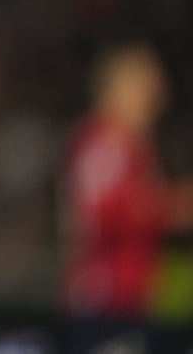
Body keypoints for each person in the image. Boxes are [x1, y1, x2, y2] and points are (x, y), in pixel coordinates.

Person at [61, 43, 193, 352]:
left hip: (140, 300)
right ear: (117, 86)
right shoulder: (103, 142)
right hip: (109, 304)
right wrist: (173, 204)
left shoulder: (134, 146)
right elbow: (103, 213)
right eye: (144, 83)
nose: (156, 94)